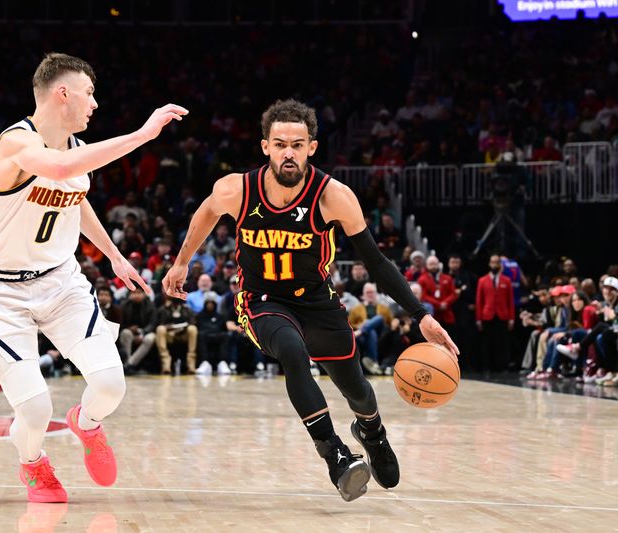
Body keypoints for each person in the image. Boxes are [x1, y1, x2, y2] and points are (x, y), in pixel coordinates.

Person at [163, 99, 457, 502]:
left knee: (357, 390)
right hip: (261, 299)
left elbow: (376, 261)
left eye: (297, 145)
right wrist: (181, 263)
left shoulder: (333, 196)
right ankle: (335, 454)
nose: (288, 153)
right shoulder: (237, 189)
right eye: (280, 144)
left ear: (312, 148)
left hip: (318, 302)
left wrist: (420, 315)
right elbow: (206, 213)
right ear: (265, 146)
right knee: (291, 349)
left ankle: (371, 430)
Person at [0, 52, 187, 503]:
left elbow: (74, 195)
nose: (94, 103)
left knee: (110, 384)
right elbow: (58, 172)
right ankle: (33, 464)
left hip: (60, 282)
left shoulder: (77, 150)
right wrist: (144, 134)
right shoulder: (12, 147)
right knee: (35, 409)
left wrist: (115, 256)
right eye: (89, 93)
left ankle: (87, 424)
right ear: (63, 93)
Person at [475, 254, 515, 372]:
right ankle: (487, 366)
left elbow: (510, 301)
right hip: (487, 315)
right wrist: (478, 319)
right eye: (492, 262)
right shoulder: (482, 280)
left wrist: (512, 318)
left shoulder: (506, 281)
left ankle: (501, 366)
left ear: (500, 264)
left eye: (497, 262)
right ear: (489, 264)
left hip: (502, 315)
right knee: (487, 343)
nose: (495, 265)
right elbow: (479, 301)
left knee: (501, 343)